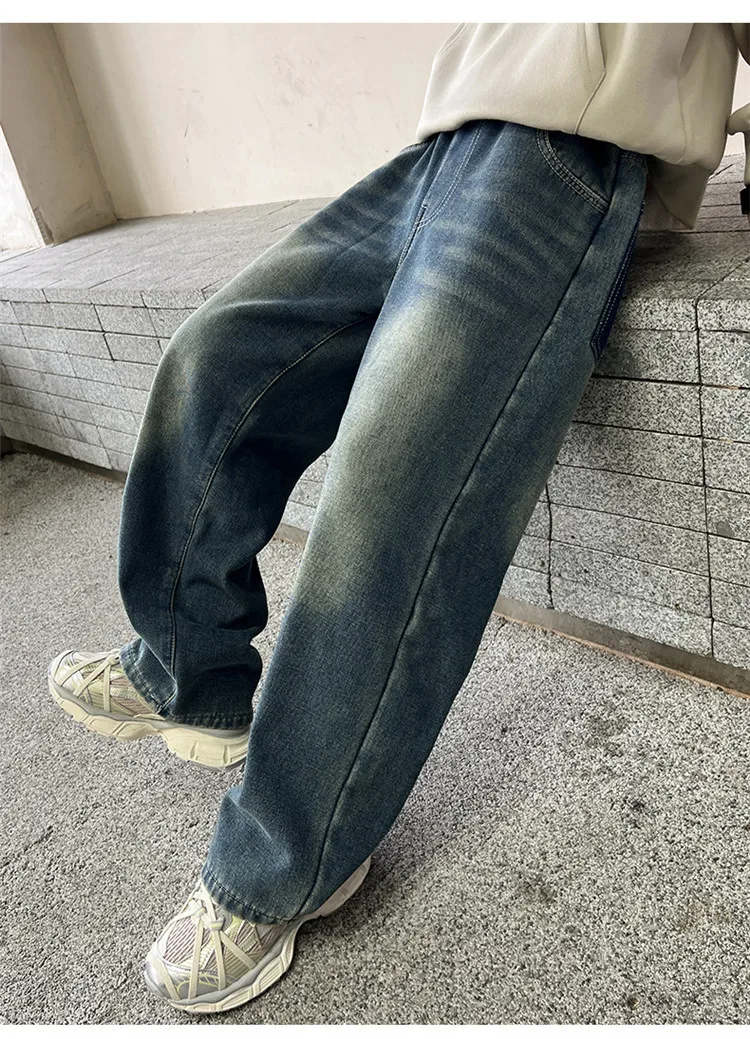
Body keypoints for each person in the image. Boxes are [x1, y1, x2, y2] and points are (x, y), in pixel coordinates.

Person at [47, 23, 749, 1015]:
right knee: (213, 357)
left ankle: (290, 858)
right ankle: (186, 672)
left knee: (390, 485)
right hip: (444, 147)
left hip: (566, 164)